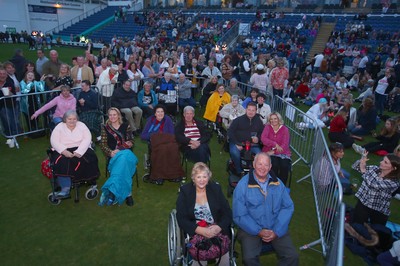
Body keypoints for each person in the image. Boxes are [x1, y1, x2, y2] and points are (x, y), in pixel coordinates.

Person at [233, 152, 299, 266]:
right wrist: (258, 231)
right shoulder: (242, 186)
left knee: (292, 256)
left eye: (266, 165)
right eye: (260, 164)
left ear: (270, 167)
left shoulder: (278, 184)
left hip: (275, 226)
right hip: (251, 229)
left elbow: (288, 206)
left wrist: (277, 230)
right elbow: (239, 215)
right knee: (249, 259)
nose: (262, 168)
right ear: (253, 164)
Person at [176, 162, 232, 266]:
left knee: (223, 255)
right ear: (193, 178)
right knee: (200, 254)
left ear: (208, 177)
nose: (202, 180)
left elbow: (227, 212)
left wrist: (218, 227)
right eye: (199, 177)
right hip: (196, 230)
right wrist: (199, 230)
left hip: (215, 228)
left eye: (204, 177)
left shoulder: (215, 189)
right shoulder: (185, 191)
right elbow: (181, 217)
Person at [50, 110, 100, 198]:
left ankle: (89, 181)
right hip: (64, 148)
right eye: (69, 119)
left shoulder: (82, 125)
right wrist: (64, 151)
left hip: (81, 147)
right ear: (65, 119)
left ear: (77, 119)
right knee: (61, 162)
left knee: (88, 159)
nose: (72, 121)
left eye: (74, 119)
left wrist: (79, 152)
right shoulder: (59, 127)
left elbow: (87, 138)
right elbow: (54, 140)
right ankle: (65, 189)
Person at [99, 107, 137, 206]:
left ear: (118, 115)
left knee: (123, 159)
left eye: (114, 114)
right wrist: (110, 152)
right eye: (110, 115)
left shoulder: (125, 125)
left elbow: (131, 141)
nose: (112, 117)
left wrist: (119, 150)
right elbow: (102, 144)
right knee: (122, 166)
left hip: (126, 153)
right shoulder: (105, 127)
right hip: (113, 155)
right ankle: (128, 194)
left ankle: (112, 192)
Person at [351, 152, 400, 225]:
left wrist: (363, 170)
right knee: (356, 226)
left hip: (379, 209)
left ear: (393, 168)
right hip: (363, 203)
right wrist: (361, 161)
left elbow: (374, 185)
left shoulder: (394, 183)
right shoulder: (374, 169)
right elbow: (355, 167)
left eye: (385, 162)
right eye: (383, 160)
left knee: (376, 232)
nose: (381, 162)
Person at [141, 104, 184, 184]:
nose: (160, 113)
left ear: (164, 113)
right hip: (156, 143)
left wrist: (162, 137)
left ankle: (173, 175)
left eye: (162, 112)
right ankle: (158, 176)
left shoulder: (168, 120)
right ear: (155, 113)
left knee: (173, 148)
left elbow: (171, 134)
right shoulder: (150, 120)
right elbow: (143, 135)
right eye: (158, 112)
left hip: (168, 141)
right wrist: (154, 135)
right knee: (161, 150)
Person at [228, 102, 264, 175]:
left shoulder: (259, 121)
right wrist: (237, 143)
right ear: (246, 110)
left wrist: (258, 138)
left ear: (256, 111)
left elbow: (262, 133)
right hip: (238, 142)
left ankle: (256, 171)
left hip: (252, 144)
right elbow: (230, 132)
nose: (251, 112)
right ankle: (239, 170)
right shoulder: (238, 120)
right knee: (235, 152)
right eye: (249, 110)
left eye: (253, 110)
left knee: (260, 155)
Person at [261, 112, 291, 185]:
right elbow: (263, 139)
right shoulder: (267, 127)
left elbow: (285, 144)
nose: (273, 121)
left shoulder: (285, 129)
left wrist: (274, 152)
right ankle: (273, 183)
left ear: (279, 119)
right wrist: (275, 144)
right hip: (268, 151)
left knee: (284, 166)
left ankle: (281, 185)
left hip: (283, 153)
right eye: (271, 119)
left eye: (275, 119)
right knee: (274, 164)